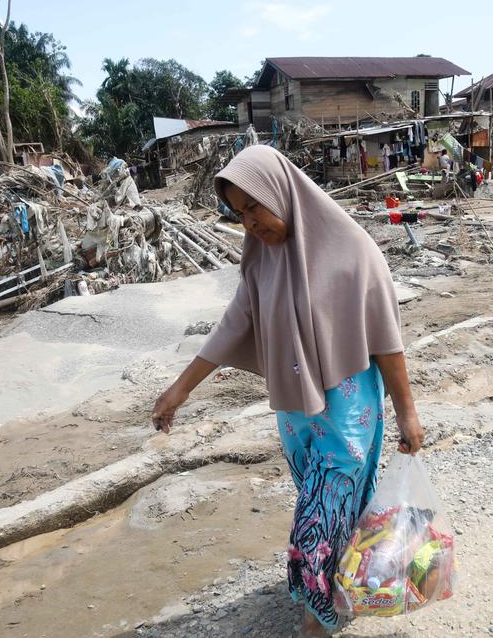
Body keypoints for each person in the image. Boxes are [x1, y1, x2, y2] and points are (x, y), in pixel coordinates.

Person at [151, 145, 424, 637]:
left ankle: (316, 620)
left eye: (254, 206)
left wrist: (407, 413)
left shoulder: (352, 249)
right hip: (296, 415)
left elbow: (387, 338)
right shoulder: (260, 261)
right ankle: (344, 586)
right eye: (238, 213)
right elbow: (232, 328)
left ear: (280, 191)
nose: (249, 222)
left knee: (317, 523)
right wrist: (178, 391)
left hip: (348, 412)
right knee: (327, 510)